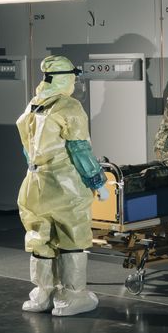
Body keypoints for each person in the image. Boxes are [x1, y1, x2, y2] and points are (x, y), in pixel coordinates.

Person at [17, 55, 108, 316]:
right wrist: (98, 182)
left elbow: (27, 150)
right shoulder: (69, 107)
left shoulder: (33, 105)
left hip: (34, 184)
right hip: (65, 185)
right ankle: (72, 297)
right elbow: (79, 150)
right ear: (66, 78)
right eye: (73, 78)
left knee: (40, 239)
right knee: (72, 238)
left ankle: (42, 295)